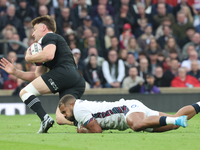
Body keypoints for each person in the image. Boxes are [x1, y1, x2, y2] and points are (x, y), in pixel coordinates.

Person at [0, 15, 85, 133]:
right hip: (75, 80)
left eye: (35, 29)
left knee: (25, 92)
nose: (33, 34)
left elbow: (48, 55)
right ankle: (90, 121)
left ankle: (44, 118)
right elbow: (37, 77)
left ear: (44, 27)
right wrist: (15, 72)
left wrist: (29, 58)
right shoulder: (46, 47)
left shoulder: (49, 36)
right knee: (61, 118)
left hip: (63, 73)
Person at [58, 94, 200, 133]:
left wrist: (83, 131)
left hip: (125, 109)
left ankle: (174, 120)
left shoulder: (77, 109)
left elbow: (96, 130)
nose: (64, 115)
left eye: (64, 111)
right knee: (175, 122)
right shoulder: (81, 107)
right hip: (130, 107)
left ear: (71, 104)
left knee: (137, 126)